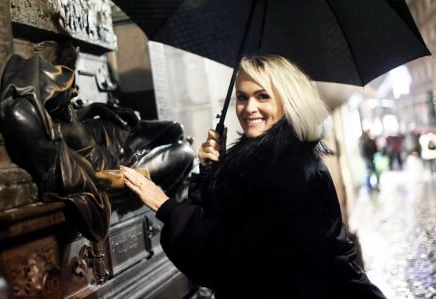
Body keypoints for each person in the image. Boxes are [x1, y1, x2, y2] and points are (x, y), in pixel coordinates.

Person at [121, 54, 386, 298]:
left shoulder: (288, 171)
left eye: (262, 96)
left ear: (287, 101)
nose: (249, 108)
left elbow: (232, 261)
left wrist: (166, 207)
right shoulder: (260, 161)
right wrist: (213, 169)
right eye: (242, 97)